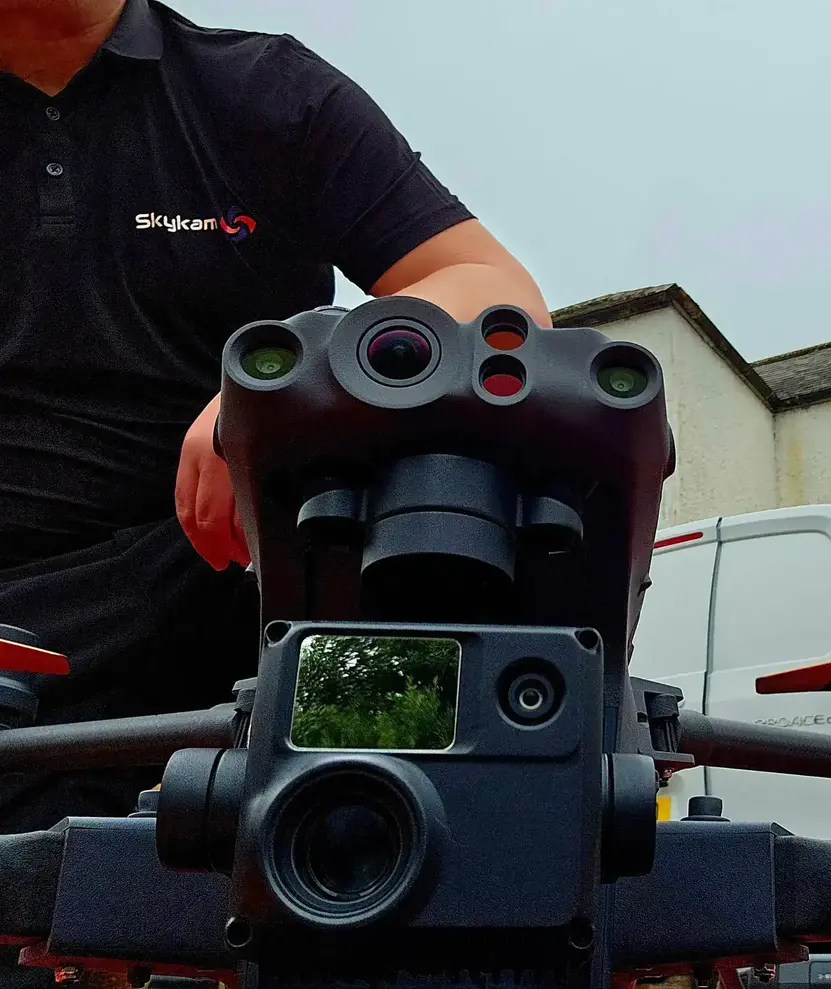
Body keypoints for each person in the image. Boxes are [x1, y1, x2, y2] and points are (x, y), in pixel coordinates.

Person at [0, 0, 550, 840]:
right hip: (23, 623)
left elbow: (496, 295)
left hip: (237, 588)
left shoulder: (264, 94)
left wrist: (278, 387)